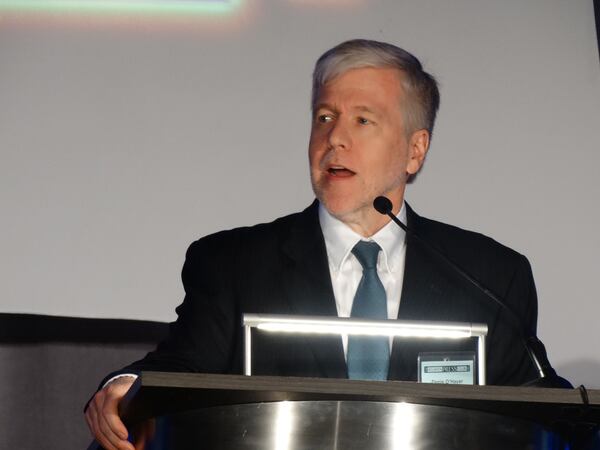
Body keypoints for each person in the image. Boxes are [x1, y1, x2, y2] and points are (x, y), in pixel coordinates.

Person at [85, 39, 541, 450]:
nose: (334, 138)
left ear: (415, 150)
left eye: (363, 120)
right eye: (325, 117)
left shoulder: (491, 275)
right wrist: (126, 386)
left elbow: (535, 401)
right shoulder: (234, 263)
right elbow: (180, 367)